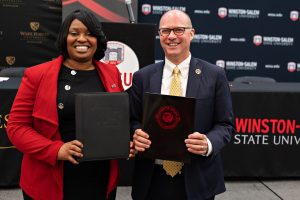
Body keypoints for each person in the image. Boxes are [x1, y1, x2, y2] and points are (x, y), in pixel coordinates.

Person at [7, 10, 134, 200]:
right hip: (50, 180)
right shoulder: (37, 75)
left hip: (99, 179)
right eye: (74, 33)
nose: (82, 39)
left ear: (98, 39)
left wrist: (126, 142)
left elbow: (117, 120)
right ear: (65, 37)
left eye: (90, 33)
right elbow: (17, 127)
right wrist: (55, 150)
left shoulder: (112, 73)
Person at [129, 10, 235, 200]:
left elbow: (225, 125)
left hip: (198, 178)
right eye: (165, 31)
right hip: (152, 179)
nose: (171, 36)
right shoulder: (142, 77)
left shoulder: (214, 75)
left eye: (178, 30)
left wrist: (208, 143)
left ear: (191, 33)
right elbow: (132, 119)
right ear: (159, 35)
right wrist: (136, 133)